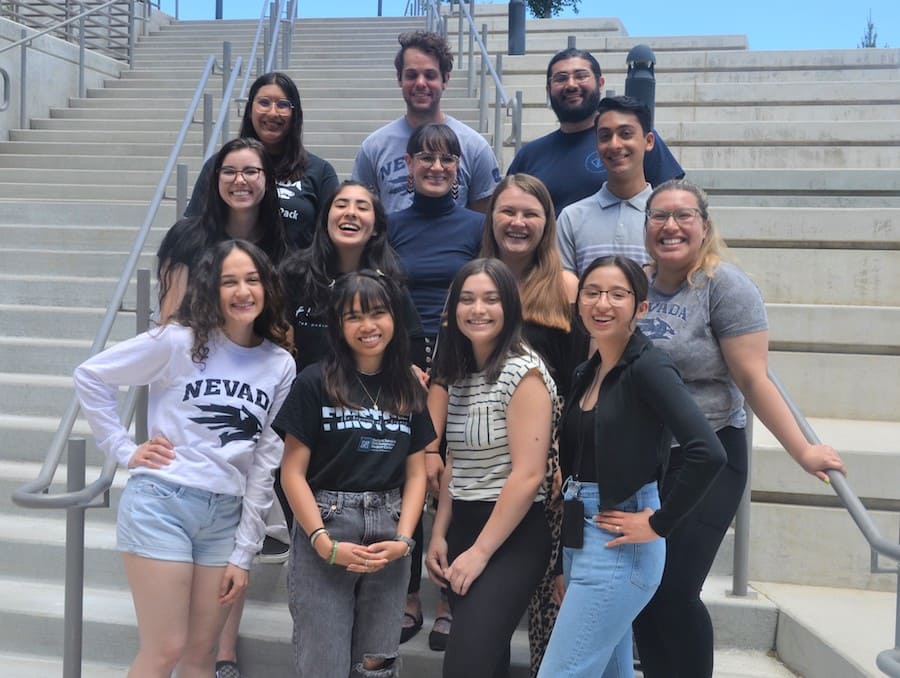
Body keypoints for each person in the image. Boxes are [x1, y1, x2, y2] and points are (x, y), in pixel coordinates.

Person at [633, 179, 847, 678]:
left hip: (709, 455)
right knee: (643, 589)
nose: (670, 226)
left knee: (675, 589)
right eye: (659, 216)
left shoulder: (725, 287)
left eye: (683, 215)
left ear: (704, 227)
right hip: (646, 457)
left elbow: (754, 377)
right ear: (645, 228)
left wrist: (804, 451)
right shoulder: (635, 284)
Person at [72, 240, 295, 678]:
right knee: (166, 648)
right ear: (211, 288)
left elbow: (266, 459)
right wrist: (123, 449)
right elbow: (91, 376)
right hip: (162, 504)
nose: (243, 291)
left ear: (268, 287)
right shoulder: (179, 341)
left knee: (201, 655)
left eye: (252, 280)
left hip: (225, 516)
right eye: (229, 281)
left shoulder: (279, 363)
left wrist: (244, 552)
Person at [536, 255, 726, 677]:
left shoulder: (649, 366)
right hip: (581, 535)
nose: (602, 303)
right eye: (592, 293)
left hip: (621, 543)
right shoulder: (589, 370)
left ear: (640, 308)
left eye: (617, 294)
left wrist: (660, 523)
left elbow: (708, 452)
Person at [275, 271, 434, 677]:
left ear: (395, 319)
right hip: (326, 525)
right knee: (322, 663)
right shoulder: (314, 381)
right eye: (354, 316)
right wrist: (323, 543)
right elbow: (292, 472)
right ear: (338, 326)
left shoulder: (408, 386)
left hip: (389, 531)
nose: (368, 326)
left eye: (378, 313)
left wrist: (404, 539)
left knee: (376, 663)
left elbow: (417, 474)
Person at [426, 258, 558, 678]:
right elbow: (454, 461)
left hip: (511, 536)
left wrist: (480, 553)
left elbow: (529, 475)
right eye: (467, 299)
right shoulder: (461, 372)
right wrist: (440, 532)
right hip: (464, 523)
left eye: (490, 299)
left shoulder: (524, 372)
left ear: (510, 308)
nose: (477, 309)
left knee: (465, 667)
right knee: (487, 664)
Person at [387, 122, 485, 648]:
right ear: (408, 165)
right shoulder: (391, 225)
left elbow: (485, 294)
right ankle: (406, 593)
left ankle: (448, 592)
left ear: (459, 170)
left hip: (460, 361)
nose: (436, 166)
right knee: (409, 475)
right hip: (402, 362)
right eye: (425, 157)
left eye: (447, 159)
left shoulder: (475, 225)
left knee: (454, 476)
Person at [479, 173, 577, 676]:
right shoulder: (474, 282)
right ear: (491, 218)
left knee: (547, 602)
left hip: (548, 460)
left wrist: (567, 461)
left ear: (546, 223)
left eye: (529, 214)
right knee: (483, 595)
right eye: (507, 212)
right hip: (481, 454)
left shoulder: (567, 289)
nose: (517, 223)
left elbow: (585, 382)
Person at [506, 47, 683, 216]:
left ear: (600, 83)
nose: (571, 85)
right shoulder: (529, 156)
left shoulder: (635, 141)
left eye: (581, 76)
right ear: (548, 90)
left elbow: (675, 205)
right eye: (561, 78)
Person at [351, 31, 501, 214]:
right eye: (411, 75)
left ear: (446, 79)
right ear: (399, 79)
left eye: (430, 75)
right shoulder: (373, 148)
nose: (420, 83)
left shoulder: (475, 147)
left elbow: (483, 224)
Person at [186, 72, 339, 250]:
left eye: (283, 105)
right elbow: (194, 231)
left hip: (295, 275)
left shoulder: (320, 171)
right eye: (264, 103)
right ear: (250, 110)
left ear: (294, 114)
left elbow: (330, 240)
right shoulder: (219, 166)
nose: (273, 112)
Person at [157, 137, 289, 323]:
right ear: (216, 179)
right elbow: (170, 322)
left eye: (251, 171)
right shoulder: (186, 238)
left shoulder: (279, 243)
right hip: (193, 349)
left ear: (268, 180)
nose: (239, 180)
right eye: (229, 172)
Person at [556, 95, 656, 277]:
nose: (615, 144)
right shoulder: (571, 218)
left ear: (648, 141)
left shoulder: (669, 219)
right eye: (605, 136)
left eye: (626, 134)